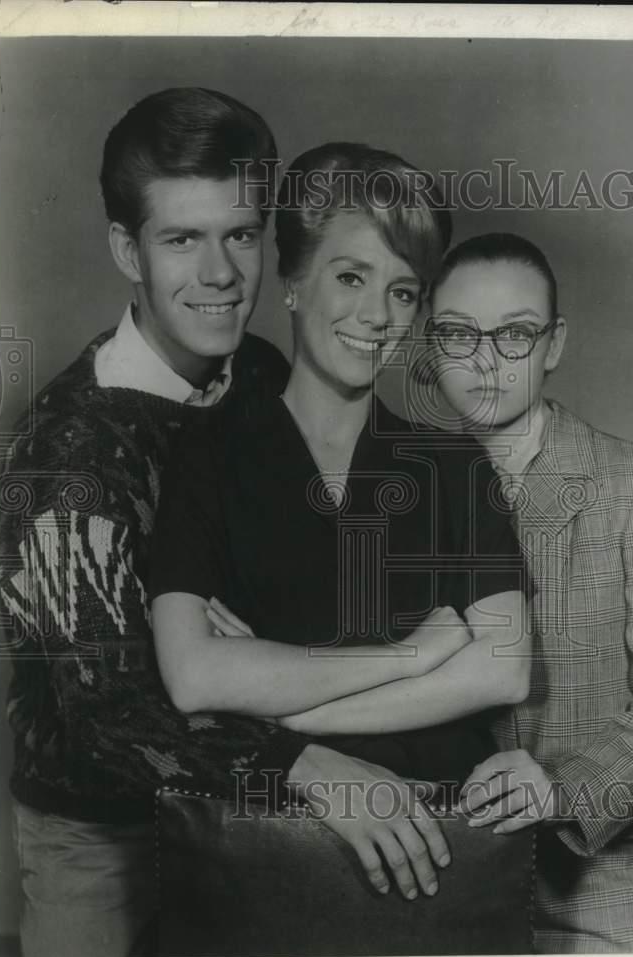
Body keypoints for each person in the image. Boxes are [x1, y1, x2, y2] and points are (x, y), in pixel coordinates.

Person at [150, 144, 532, 905]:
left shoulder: (451, 466)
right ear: (291, 282)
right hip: (266, 853)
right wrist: (408, 657)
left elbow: (501, 667)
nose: (375, 317)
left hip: (446, 847)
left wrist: (279, 703)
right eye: (350, 277)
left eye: (402, 292)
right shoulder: (204, 456)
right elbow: (194, 677)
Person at [0, 88, 317, 957]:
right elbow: (111, 717)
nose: (220, 274)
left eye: (240, 234)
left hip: (247, 816)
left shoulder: (256, 369)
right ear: (126, 251)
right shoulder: (67, 449)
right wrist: (300, 762)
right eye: (181, 239)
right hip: (104, 845)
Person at [422, 232, 633, 952]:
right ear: (429, 344)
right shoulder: (393, 491)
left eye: (513, 334)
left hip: (608, 886)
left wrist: (561, 786)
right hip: (447, 883)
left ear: (553, 344)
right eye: (457, 334)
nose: (484, 361)